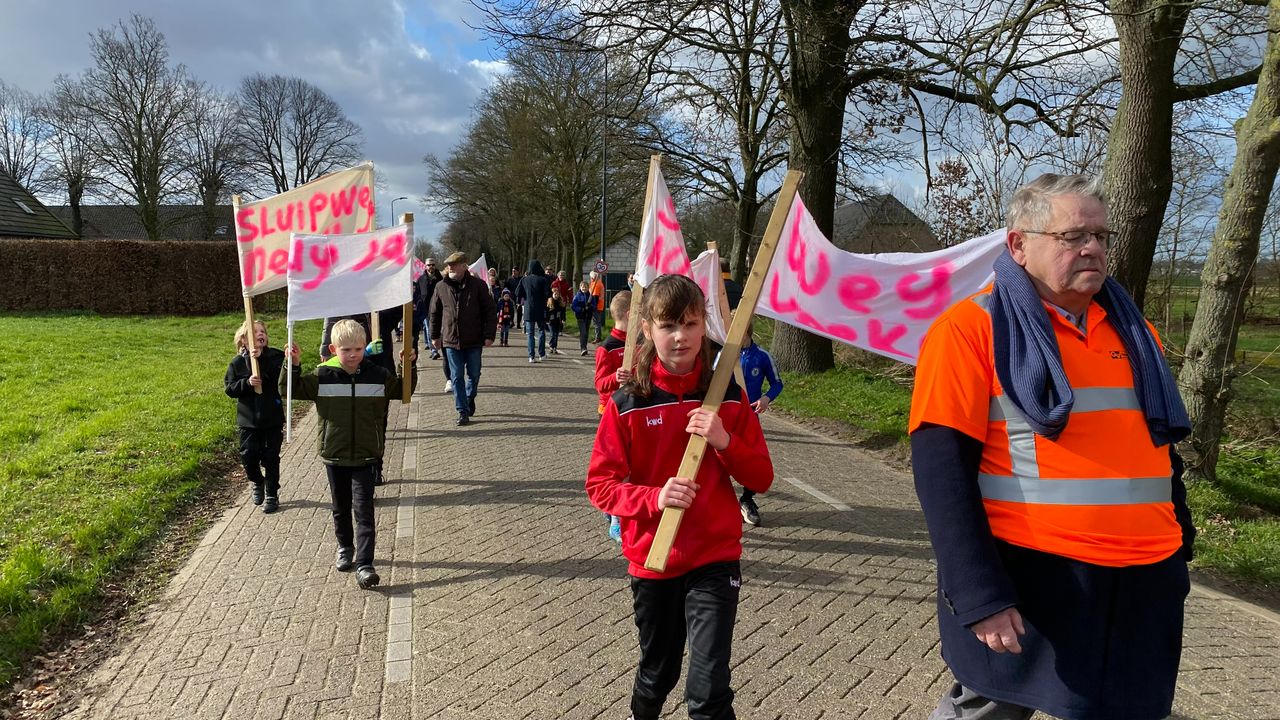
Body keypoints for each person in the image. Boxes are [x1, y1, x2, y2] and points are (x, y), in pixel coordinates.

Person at [909, 173, 1195, 720]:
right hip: (1035, 579)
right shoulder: (969, 331)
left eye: (1102, 236)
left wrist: (1180, 540)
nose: (1093, 247)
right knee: (988, 710)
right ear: (1019, 245)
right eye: (1073, 237)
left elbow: (1158, 447)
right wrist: (979, 595)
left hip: (1144, 582)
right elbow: (941, 475)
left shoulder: (1137, 333)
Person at [587, 274, 773, 720]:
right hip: (653, 558)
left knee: (708, 691)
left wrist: (725, 440)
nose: (681, 336)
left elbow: (761, 477)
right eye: (668, 325)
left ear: (702, 326)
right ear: (647, 328)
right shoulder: (629, 401)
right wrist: (654, 498)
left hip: (715, 557)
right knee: (658, 672)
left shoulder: (726, 395)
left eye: (690, 324)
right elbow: (600, 485)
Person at [283, 319, 416, 590]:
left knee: (363, 510)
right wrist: (292, 365)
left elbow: (404, 391)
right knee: (340, 507)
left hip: (366, 455)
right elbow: (291, 390)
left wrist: (408, 365)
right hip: (335, 454)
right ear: (333, 349)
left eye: (358, 348)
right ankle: (345, 546)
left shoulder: (377, 374)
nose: (353, 354)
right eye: (346, 350)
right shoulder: (323, 376)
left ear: (365, 347)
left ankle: (365, 564)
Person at [224, 320, 286, 514]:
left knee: (270, 457)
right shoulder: (236, 363)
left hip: (271, 418)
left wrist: (261, 361)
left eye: (263, 331)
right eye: (255, 332)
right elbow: (230, 388)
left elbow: (280, 380)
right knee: (249, 456)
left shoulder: (275, 356)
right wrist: (246, 383)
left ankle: (271, 494)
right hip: (248, 420)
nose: (261, 334)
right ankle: (257, 481)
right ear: (244, 340)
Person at [431, 251, 497, 426]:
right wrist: (434, 336)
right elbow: (435, 313)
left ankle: (470, 397)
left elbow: (490, 311)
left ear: (464, 266)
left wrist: (489, 335)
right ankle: (462, 411)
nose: (450, 267)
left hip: (474, 340)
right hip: (451, 340)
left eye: (454, 264)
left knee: (474, 374)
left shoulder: (478, 285)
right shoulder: (441, 287)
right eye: (449, 265)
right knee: (456, 376)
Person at [732, 320, 782, 527]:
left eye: (738, 334)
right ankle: (717, 499)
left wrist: (766, 398)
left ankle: (747, 500)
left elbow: (777, 383)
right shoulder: (725, 356)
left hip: (750, 417)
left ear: (747, 334)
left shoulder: (762, 356)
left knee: (752, 457)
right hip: (727, 416)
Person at [592, 289, 632, 543]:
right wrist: (614, 378)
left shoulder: (640, 343)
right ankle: (615, 518)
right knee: (617, 465)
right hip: (610, 413)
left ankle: (619, 510)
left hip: (633, 411)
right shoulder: (607, 348)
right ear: (630, 314)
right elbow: (599, 383)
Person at [519, 260, 552, 363]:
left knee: (530, 333)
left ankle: (531, 356)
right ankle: (541, 354)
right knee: (541, 331)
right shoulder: (543, 279)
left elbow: (518, 293)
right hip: (540, 308)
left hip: (529, 308)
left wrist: (526, 297)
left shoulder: (524, 279)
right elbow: (548, 294)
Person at [416, 259, 443, 360]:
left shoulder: (440, 279)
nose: (431, 266)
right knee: (427, 328)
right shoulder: (421, 279)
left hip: (438, 307)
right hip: (425, 308)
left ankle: (433, 346)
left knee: (434, 328)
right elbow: (418, 293)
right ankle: (433, 349)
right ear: (425, 266)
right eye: (429, 265)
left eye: (433, 264)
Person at [571, 281, 593, 356]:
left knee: (586, 333)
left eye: (586, 287)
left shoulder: (590, 296)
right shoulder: (577, 296)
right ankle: (583, 348)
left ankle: (585, 347)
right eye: (583, 287)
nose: (584, 288)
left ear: (588, 288)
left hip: (588, 317)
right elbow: (573, 306)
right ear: (580, 287)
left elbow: (594, 306)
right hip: (580, 317)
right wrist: (581, 309)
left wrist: (590, 307)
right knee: (583, 332)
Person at [547, 286, 568, 354]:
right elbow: (546, 312)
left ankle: (555, 347)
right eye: (555, 294)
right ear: (552, 294)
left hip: (558, 321)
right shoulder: (549, 302)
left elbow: (563, 313)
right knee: (552, 334)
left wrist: (563, 319)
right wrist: (546, 320)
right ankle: (551, 346)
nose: (556, 296)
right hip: (551, 321)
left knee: (556, 335)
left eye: (557, 294)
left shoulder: (560, 303)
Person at [588, 270, 607, 343]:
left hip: (596, 306)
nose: (590, 278)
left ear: (593, 277)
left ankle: (597, 337)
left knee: (596, 322)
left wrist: (591, 306)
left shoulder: (596, 284)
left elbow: (595, 297)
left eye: (591, 277)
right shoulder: (596, 283)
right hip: (599, 305)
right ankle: (598, 337)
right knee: (596, 322)